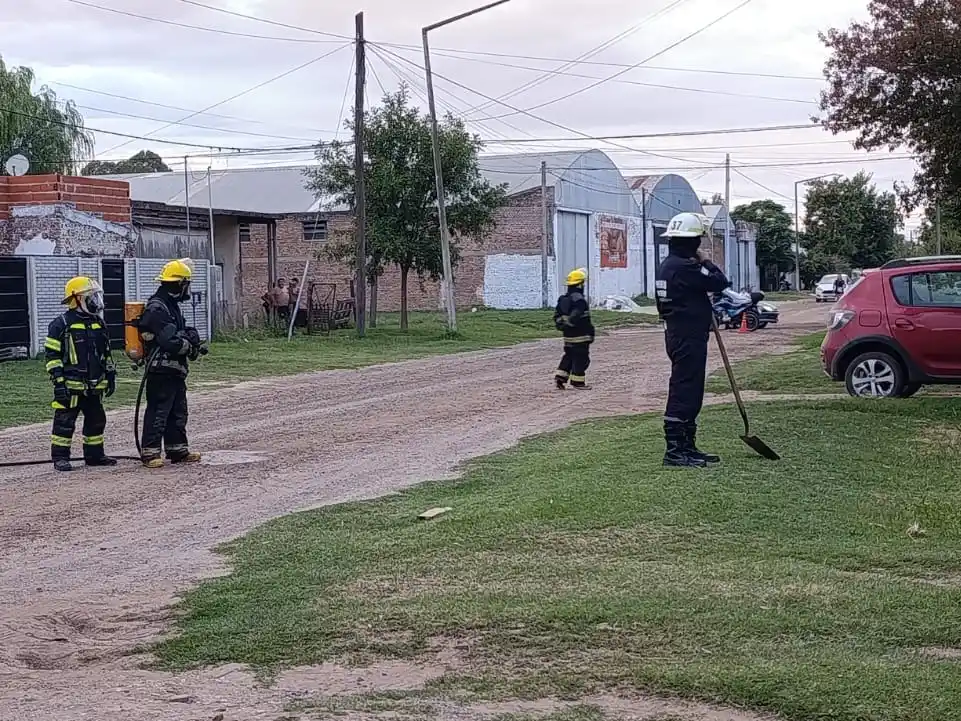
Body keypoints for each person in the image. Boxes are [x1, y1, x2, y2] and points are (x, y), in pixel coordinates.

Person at [656, 212, 730, 467]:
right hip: (686, 336)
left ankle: (687, 446)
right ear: (692, 242)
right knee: (685, 390)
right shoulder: (684, 267)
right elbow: (720, 283)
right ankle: (675, 451)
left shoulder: (669, 265)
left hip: (681, 334)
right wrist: (706, 262)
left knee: (691, 389)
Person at [138, 258, 207, 468]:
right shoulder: (157, 307)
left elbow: (182, 331)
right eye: (187, 283)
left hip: (174, 369)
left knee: (178, 410)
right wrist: (191, 346)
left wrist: (190, 336)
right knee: (159, 410)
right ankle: (150, 453)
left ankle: (177, 450)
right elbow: (170, 341)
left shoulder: (170, 305)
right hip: (161, 369)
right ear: (179, 283)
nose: (188, 288)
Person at [44, 277, 118, 472]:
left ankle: (94, 456)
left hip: (94, 386)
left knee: (97, 420)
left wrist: (110, 374)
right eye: (91, 298)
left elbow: (106, 352)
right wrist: (59, 383)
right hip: (71, 387)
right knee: (64, 423)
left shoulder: (98, 323)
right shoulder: (61, 324)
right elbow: (52, 357)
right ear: (77, 299)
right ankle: (60, 458)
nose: (96, 302)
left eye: (96, 297)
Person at [553, 267, 595, 390]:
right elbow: (578, 317)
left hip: (568, 336)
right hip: (580, 336)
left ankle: (560, 377)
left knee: (569, 356)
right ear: (580, 284)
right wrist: (590, 333)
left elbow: (557, 317)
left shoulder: (563, 299)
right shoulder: (580, 300)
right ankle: (578, 382)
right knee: (581, 359)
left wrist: (563, 324)